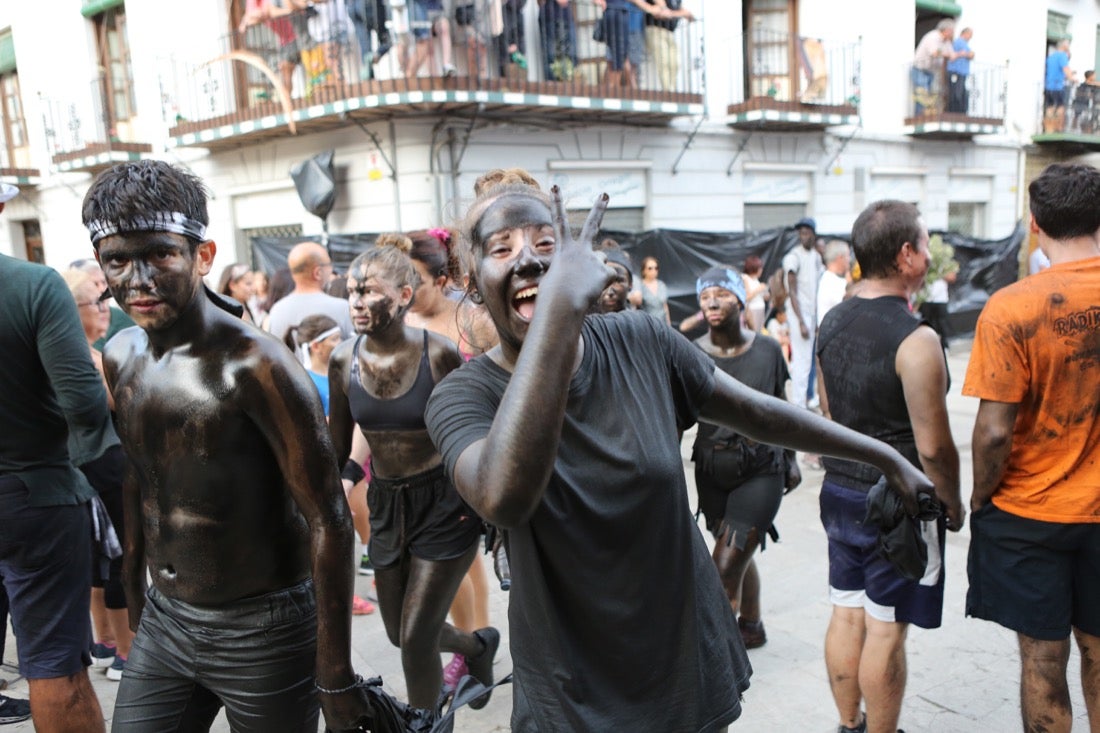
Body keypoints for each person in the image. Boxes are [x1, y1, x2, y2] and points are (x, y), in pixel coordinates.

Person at [424, 174, 935, 732]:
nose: (529, 262)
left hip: (681, 659)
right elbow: (503, 496)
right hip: (570, 683)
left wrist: (887, 457)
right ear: (470, 281)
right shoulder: (462, 397)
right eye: (503, 249)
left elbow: (760, 412)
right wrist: (558, 313)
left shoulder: (640, 341)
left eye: (548, 245)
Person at [83, 160, 372, 732]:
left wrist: (334, 671)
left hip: (263, 630)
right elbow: (139, 478)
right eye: (118, 260)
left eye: (161, 254)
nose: (139, 279)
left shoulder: (258, 367)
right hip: (167, 620)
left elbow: (329, 519)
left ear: (202, 255)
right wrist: (138, 603)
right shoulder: (121, 356)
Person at [328, 237, 499, 713]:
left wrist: (487, 497)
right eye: (351, 292)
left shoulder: (439, 354)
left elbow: (472, 427)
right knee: (397, 633)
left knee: (418, 633)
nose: (357, 302)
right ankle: (478, 647)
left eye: (369, 291)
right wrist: (334, 487)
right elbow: (339, 443)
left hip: (445, 501)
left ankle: (422, 721)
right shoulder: (343, 359)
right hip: (386, 503)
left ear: (404, 296)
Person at [816, 199, 963, 733]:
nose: (928, 252)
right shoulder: (916, 338)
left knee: (846, 610)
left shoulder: (832, 321)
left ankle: (847, 724)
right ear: (906, 255)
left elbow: (828, 414)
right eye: (925, 243)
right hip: (898, 502)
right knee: (885, 627)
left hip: (840, 493)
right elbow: (934, 448)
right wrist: (951, 502)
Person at [963, 162, 1100, 733]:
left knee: (1044, 659)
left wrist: (978, 498)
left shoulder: (1011, 308)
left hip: (1026, 512)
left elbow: (993, 431)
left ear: (1035, 222)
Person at [0, 181, 104, 731]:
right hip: (34, 496)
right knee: (54, 666)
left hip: (29, 496)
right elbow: (84, 407)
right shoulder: (33, 284)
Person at [402, 228, 497, 691]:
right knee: (465, 565)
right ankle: (479, 643)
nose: (405, 290)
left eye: (414, 279)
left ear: (441, 280)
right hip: (417, 464)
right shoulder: (399, 323)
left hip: (465, 457)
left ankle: (470, 651)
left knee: (455, 564)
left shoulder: (473, 321)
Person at [690, 266, 800, 650]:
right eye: (704, 296)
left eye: (720, 293)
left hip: (760, 469)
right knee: (734, 553)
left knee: (723, 568)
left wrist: (791, 459)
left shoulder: (767, 349)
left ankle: (718, 663)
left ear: (739, 299)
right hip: (710, 470)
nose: (712, 302)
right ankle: (751, 623)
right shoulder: (690, 352)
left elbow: (782, 408)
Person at [62, 268, 136, 682]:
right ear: (71, 310)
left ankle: (105, 642)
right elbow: (116, 403)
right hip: (102, 462)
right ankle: (125, 652)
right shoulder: (85, 357)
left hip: (84, 463)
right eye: (97, 302)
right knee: (119, 556)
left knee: (98, 559)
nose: (106, 309)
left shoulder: (74, 351)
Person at [266, 241, 353, 342]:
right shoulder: (341, 308)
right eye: (329, 264)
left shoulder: (277, 310)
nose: (332, 269)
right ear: (318, 273)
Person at [784, 216, 824, 409]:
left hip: (812, 314)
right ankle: (798, 406)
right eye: (801, 233)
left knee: (808, 361)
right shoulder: (794, 256)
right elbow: (792, 291)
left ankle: (804, 402)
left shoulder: (816, 257)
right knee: (801, 361)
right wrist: (801, 321)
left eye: (807, 232)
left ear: (813, 235)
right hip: (799, 314)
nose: (803, 236)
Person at [642, 0, 694, 92]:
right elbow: (663, 12)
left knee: (675, 63)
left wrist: (676, 13)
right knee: (663, 60)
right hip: (655, 29)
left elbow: (674, 11)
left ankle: (672, 90)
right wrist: (679, 13)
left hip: (669, 32)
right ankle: (668, 91)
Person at [912, 19, 955, 116]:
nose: (952, 34)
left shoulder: (946, 42)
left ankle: (928, 114)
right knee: (922, 94)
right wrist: (947, 54)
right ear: (946, 30)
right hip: (920, 69)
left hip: (931, 71)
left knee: (930, 94)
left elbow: (952, 55)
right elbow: (935, 53)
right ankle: (919, 116)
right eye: (951, 31)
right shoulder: (933, 36)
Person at [538, 0, 577, 82]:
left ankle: (568, 80)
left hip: (566, 16)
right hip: (550, 17)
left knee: (570, 54)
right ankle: (552, 84)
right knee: (550, 55)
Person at [628, 255, 671, 325]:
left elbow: (665, 306)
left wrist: (669, 325)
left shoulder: (661, 285)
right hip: (648, 325)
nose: (653, 271)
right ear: (643, 271)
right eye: (650, 268)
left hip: (663, 324)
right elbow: (635, 307)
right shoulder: (639, 285)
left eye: (656, 268)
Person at [1044, 39, 1075, 132]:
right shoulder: (1062, 56)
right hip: (1057, 86)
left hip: (1048, 85)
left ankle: (1049, 129)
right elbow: (1066, 69)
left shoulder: (1051, 57)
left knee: (1050, 108)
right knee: (1060, 107)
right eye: (1068, 45)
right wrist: (1072, 78)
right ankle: (1058, 128)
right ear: (1064, 46)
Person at [946, 27, 974, 114]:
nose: (971, 37)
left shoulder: (964, 44)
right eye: (970, 35)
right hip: (956, 72)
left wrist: (967, 54)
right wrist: (964, 54)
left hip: (961, 72)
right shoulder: (959, 42)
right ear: (965, 33)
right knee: (956, 93)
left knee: (961, 92)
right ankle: (956, 112)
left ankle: (961, 112)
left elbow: (971, 54)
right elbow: (968, 54)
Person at [741, 255, 768, 332]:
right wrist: (758, 290)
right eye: (760, 268)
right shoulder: (745, 278)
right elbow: (746, 297)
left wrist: (765, 295)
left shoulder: (756, 280)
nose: (761, 270)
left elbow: (760, 296)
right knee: (752, 332)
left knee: (759, 332)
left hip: (760, 309)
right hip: (752, 311)